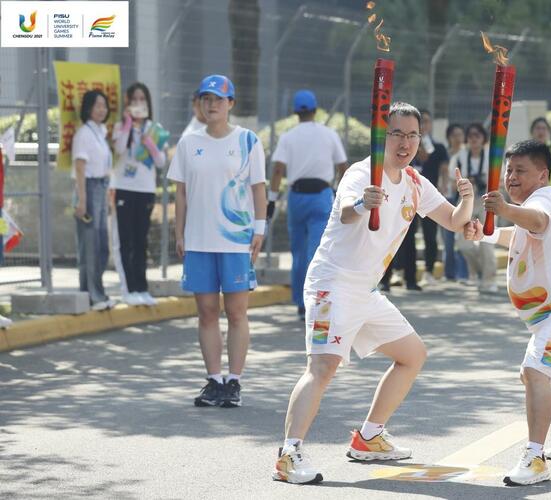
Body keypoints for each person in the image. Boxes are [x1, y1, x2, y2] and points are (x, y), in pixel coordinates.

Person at [273, 102, 474, 485]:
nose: (405, 142)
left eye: (412, 135)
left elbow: (452, 221)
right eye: (397, 133)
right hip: (332, 284)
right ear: (382, 135)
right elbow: (348, 211)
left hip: (365, 291)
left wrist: (466, 198)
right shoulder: (362, 173)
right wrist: (364, 202)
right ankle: (289, 454)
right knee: (322, 368)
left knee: (412, 354)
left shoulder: (415, 181)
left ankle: (369, 437)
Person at [464, 139, 551, 486]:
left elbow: (536, 221)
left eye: (520, 171)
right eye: (509, 170)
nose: (511, 177)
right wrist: (486, 233)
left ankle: (535, 458)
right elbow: (521, 233)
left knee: (535, 372)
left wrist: (506, 208)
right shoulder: (530, 205)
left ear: (542, 175)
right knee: (542, 379)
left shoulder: (545, 200)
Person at [167, 75, 267, 408]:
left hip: (236, 239)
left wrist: (260, 228)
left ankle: (234, 381)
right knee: (207, 313)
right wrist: (179, 231)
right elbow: (180, 192)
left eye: (219, 99)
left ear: (231, 104)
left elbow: (258, 188)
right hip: (198, 240)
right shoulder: (188, 143)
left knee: (237, 313)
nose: (212, 104)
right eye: (206, 98)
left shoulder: (248, 141)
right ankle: (214, 379)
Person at [269, 90, 348, 320]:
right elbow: (344, 167)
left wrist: (272, 200)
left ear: (295, 112)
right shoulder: (329, 134)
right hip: (322, 195)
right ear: (315, 110)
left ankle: (301, 304)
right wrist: (340, 192)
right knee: (318, 251)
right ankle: (317, 301)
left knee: (299, 252)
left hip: (297, 196)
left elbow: (277, 170)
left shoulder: (287, 137)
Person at [111, 82, 169, 307]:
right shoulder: (120, 127)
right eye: (134, 100)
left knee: (140, 240)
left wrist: (150, 144)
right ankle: (129, 289)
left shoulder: (155, 128)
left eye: (142, 100)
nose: (138, 104)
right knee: (125, 240)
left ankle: (142, 287)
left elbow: (161, 161)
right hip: (124, 188)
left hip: (145, 190)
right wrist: (128, 123)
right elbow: (118, 150)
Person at [72, 90, 116, 311]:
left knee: (100, 246)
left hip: (100, 187)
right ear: (88, 107)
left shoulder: (100, 132)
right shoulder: (84, 133)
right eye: (97, 105)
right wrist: (81, 200)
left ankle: (94, 293)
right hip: (87, 188)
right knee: (89, 246)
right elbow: (80, 167)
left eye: (104, 105)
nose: (102, 109)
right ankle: (93, 295)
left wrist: (107, 196)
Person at [451, 122, 497, 293]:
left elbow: (500, 180)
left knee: (487, 241)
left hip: (487, 200)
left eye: (478, 135)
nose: (474, 138)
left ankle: (489, 278)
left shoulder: (491, 156)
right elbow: (451, 177)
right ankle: (480, 271)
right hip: (466, 201)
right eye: (471, 135)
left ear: (483, 138)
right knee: (462, 243)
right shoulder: (460, 156)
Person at [412, 110, 448, 287]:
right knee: (406, 236)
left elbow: (443, 170)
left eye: (426, 122)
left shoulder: (439, 148)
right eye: (420, 122)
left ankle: (429, 271)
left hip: (429, 198)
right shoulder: (407, 146)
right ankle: (402, 271)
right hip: (409, 197)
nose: (423, 126)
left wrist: (444, 186)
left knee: (430, 236)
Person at [440, 123, 469, 282]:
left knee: (462, 238)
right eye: (454, 135)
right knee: (448, 240)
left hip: (462, 199)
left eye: (460, 134)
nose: (458, 138)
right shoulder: (446, 154)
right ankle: (449, 273)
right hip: (447, 197)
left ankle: (463, 273)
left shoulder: (467, 154)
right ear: (449, 137)